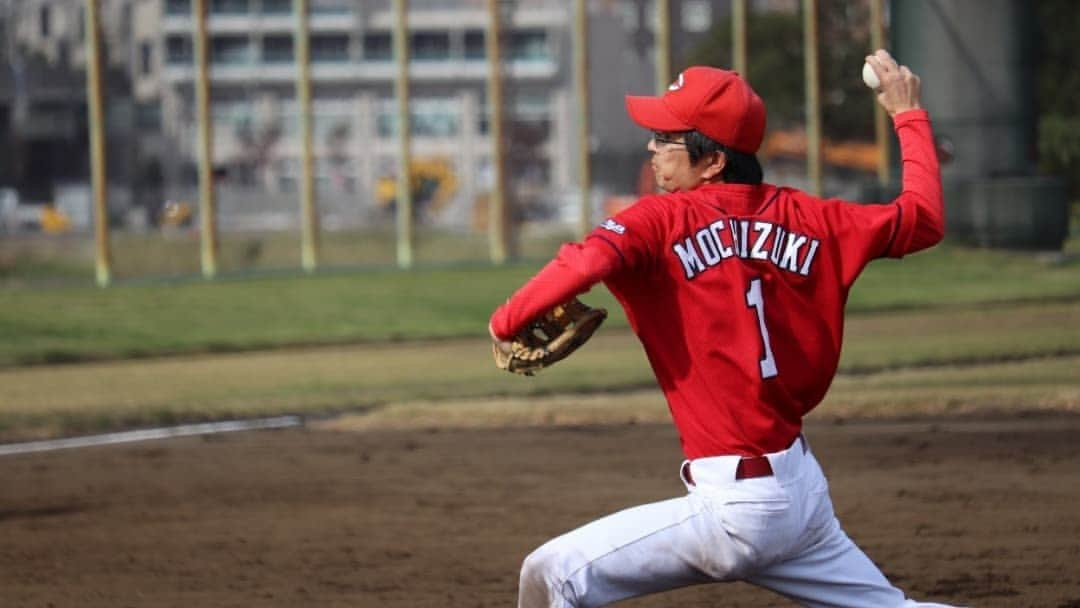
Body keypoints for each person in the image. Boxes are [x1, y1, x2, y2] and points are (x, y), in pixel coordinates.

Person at [489, 50, 957, 607]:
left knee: (552, 574)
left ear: (712, 161)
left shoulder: (660, 220)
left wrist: (505, 320)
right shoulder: (816, 218)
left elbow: (585, 263)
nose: (652, 149)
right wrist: (907, 113)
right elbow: (922, 219)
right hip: (800, 495)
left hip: (738, 509)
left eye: (666, 138)